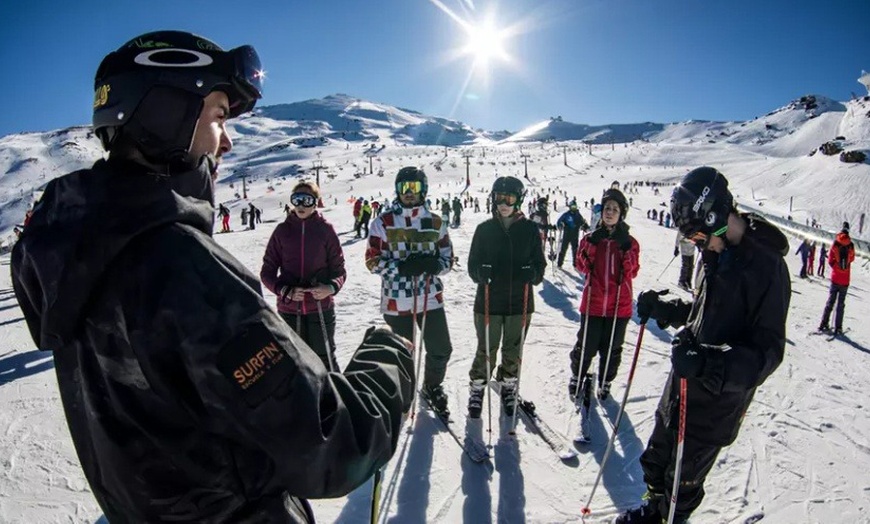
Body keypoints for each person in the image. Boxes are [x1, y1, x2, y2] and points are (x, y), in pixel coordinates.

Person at [11, 31, 414, 523]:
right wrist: (389, 356)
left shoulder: (79, 252)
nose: (228, 140)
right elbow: (333, 444)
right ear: (167, 114)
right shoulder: (178, 266)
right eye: (220, 116)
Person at [623, 166, 790, 524]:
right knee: (656, 462)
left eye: (698, 235)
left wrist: (708, 363)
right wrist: (670, 309)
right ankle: (652, 511)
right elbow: (706, 312)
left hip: (715, 402)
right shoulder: (716, 253)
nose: (697, 244)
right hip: (683, 386)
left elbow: (769, 352)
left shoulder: (766, 267)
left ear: (714, 214)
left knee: (681, 485)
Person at [366, 166, 455, 415]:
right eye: (403, 187)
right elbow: (372, 261)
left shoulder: (436, 222)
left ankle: (431, 386)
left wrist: (435, 265)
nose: (408, 192)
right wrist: (401, 268)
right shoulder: (382, 222)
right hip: (397, 299)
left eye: (414, 187)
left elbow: (448, 260)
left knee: (441, 349)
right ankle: (401, 393)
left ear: (423, 190)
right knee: (400, 354)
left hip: (430, 298)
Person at [466, 176, 545, 416]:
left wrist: (533, 273)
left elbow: (540, 267)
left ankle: (508, 383)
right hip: (488, 301)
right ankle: (478, 386)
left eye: (509, 198)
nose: (504, 203)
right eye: (499, 198)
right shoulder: (484, 229)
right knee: (486, 348)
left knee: (513, 347)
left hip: (518, 301)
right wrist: (481, 272)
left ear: (518, 200)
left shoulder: (530, 230)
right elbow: (472, 265)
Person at [569, 189, 640, 430]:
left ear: (622, 214)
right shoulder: (591, 238)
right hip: (594, 302)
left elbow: (633, 271)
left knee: (612, 348)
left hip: (619, 305)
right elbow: (581, 266)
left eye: (615, 209)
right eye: (607, 208)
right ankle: (577, 375)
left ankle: (606, 381)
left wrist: (626, 252)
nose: (610, 213)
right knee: (586, 344)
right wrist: (590, 245)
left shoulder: (630, 242)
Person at [260, 181, 346, 370]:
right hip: (290, 310)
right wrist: (285, 291)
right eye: (296, 199)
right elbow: (267, 273)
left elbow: (339, 271)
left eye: (306, 200)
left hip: (320, 309)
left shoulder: (325, 230)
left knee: (325, 359)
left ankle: (334, 397)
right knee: (294, 361)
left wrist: (329, 288)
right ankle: (300, 400)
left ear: (316, 203)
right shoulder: (282, 231)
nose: (300, 205)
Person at [818, 222, 855, 334]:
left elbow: (830, 260)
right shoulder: (851, 245)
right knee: (841, 304)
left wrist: (836, 267)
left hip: (835, 278)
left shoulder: (836, 243)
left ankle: (824, 323)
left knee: (830, 301)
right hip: (845, 279)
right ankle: (838, 327)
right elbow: (852, 259)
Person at [555, 201, 590, 269]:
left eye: (575, 207)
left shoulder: (578, 215)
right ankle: (559, 263)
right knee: (563, 249)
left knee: (575, 250)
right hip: (567, 234)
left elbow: (582, 222)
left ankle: (575, 263)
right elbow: (559, 221)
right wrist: (560, 225)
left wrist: (585, 226)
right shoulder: (566, 214)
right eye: (572, 207)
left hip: (575, 234)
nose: (574, 208)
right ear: (570, 207)